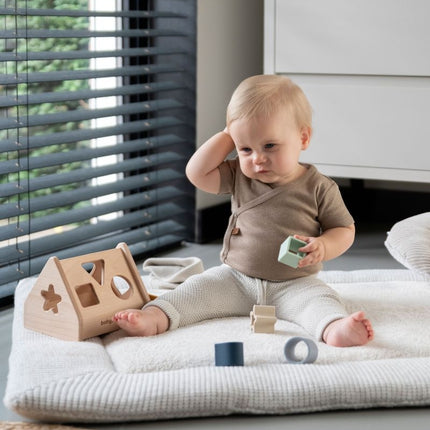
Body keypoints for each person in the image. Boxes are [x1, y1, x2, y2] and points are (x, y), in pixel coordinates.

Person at [113, 75, 374, 347]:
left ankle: (336, 328)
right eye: (245, 148)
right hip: (236, 278)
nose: (257, 158)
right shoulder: (239, 175)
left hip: (294, 283)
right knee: (195, 289)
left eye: (269, 146)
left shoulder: (319, 186)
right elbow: (196, 173)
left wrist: (323, 245)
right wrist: (228, 135)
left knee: (320, 300)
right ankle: (154, 317)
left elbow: (344, 229)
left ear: (303, 137)